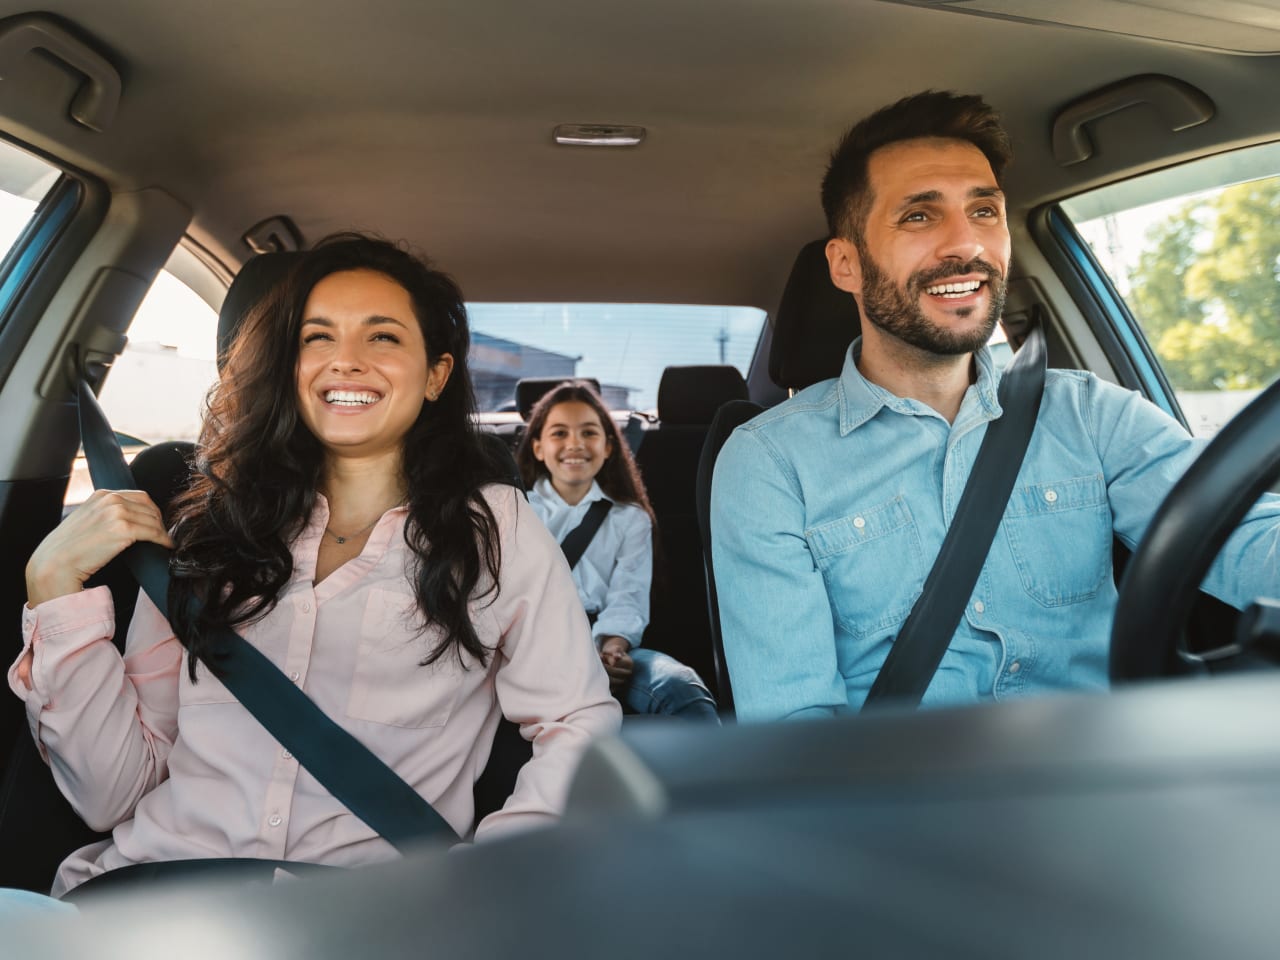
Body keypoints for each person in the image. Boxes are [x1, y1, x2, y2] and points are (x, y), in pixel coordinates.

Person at [9, 234, 620, 902]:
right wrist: (55, 595)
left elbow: (577, 724)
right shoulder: (206, 529)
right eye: (317, 337)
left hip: (364, 919)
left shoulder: (497, 529)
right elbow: (111, 795)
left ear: (437, 373)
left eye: (382, 338)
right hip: (154, 895)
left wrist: (485, 890)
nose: (346, 362)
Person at [710, 91, 1280, 723]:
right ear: (846, 265)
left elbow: (1247, 537)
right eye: (920, 217)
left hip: (1106, 790)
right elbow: (795, 730)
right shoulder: (769, 463)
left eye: (984, 211)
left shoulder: (1093, 417)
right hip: (902, 806)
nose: (966, 244)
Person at [515, 381, 719, 721]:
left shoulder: (630, 519)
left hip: (606, 643)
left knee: (684, 690)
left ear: (609, 447)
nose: (575, 444)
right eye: (559, 433)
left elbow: (629, 594)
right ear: (538, 447)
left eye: (589, 433)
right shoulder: (515, 512)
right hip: (532, 650)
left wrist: (610, 649)